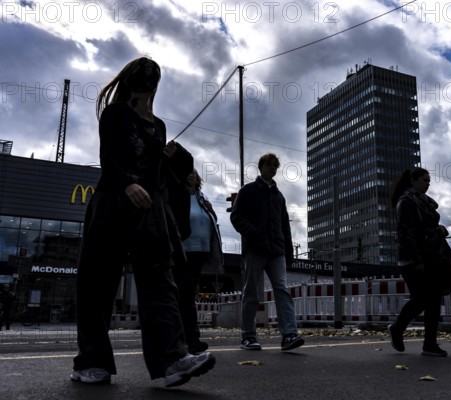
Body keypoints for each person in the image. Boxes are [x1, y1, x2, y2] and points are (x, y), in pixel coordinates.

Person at [71, 57, 215, 387]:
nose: (147, 83)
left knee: (161, 281)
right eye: (142, 77)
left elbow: (157, 175)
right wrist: (126, 183)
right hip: (112, 203)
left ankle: (171, 361)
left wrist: (170, 158)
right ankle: (91, 361)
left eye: (152, 79)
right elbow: (108, 158)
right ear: (131, 81)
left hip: (147, 209)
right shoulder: (115, 114)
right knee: (98, 283)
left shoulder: (159, 126)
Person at [230, 153, 304, 351]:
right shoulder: (248, 191)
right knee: (252, 292)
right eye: (269, 165)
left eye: (275, 166)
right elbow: (236, 217)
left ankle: (289, 335)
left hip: (277, 252)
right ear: (260, 167)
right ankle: (247, 335)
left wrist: (289, 254)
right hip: (255, 250)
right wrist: (254, 233)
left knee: (282, 290)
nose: (273, 168)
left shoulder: (279, 196)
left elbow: (285, 227)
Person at [387, 167, 451, 357]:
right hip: (415, 258)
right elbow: (405, 233)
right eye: (425, 180)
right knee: (424, 298)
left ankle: (427, 342)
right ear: (413, 180)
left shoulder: (421, 202)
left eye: (429, 181)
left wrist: (439, 232)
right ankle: (406, 333)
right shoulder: (407, 201)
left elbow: (426, 230)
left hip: (428, 256)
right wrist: (416, 258)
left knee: (431, 299)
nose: (428, 184)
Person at [172, 169, 224, 354]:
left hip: (200, 252)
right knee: (185, 294)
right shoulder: (179, 196)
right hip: (183, 251)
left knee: (187, 295)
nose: (191, 175)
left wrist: (211, 212)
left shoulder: (202, 198)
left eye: (194, 173)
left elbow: (210, 221)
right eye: (188, 172)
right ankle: (191, 340)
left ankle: (187, 338)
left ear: (198, 178)